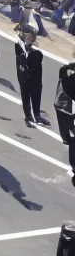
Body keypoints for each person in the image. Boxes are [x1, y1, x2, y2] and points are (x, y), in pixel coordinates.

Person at [17, 24, 48, 127]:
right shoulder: (18, 46)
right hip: (24, 77)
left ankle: (37, 115)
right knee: (25, 97)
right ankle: (28, 117)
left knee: (36, 96)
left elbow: (35, 63)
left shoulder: (37, 52)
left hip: (35, 79)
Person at [57, 60, 75, 188]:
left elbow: (63, 75)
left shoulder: (69, 80)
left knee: (72, 141)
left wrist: (68, 68)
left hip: (69, 112)